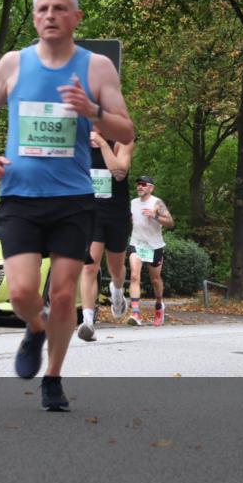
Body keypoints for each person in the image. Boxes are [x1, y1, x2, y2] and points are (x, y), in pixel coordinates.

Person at [0, 0, 134, 411]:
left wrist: (92, 110)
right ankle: (36, 326)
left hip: (73, 200)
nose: (50, 15)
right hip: (20, 197)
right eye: (43, 8)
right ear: (34, 17)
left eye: (60, 8)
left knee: (63, 295)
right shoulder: (13, 63)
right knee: (23, 293)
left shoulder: (97, 68)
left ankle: (54, 378)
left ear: (75, 17)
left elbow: (126, 131)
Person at [77, 129, 135, 342]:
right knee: (89, 266)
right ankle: (88, 322)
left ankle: (117, 290)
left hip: (116, 214)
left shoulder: (122, 141)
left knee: (116, 268)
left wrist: (102, 143)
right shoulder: (79, 142)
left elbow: (120, 172)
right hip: (90, 213)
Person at [127, 176, 173, 326]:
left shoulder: (157, 203)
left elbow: (170, 223)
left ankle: (159, 305)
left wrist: (155, 216)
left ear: (151, 188)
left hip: (154, 246)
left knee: (155, 280)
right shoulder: (133, 203)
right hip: (137, 244)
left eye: (143, 184)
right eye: (138, 184)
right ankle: (135, 314)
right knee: (134, 276)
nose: (139, 187)